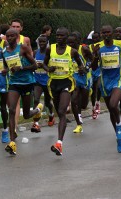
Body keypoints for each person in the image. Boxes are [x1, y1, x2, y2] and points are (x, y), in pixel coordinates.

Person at [91, 25, 121, 153]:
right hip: (105, 81)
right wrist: (94, 55)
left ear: (112, 33)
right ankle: (118, 136)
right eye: (103, 33)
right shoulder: (98, 47)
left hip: (118, 79)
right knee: (111, 110)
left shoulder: (120, 44)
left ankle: (120, 125)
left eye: (108, 32)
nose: (106, 34)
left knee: (113, 104)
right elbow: (93, 67)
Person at [43, 27, 84, 156]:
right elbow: (43, 64)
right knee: (59, 114)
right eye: (57, 35)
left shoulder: (72, 51)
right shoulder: (51, 48)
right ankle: (60, 142)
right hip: (53, 83)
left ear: (67, 37)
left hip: (67, 82)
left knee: (62, 110)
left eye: (62, 36)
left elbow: (80, 64)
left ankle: (59, 143)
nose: (59, 37)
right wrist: (48, 69)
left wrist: (82, 69)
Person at [2, 28, 43, 155]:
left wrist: (22, 68)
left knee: (26, 115)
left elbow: (35, 66)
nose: (9, 38)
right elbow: (7, 66)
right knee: (12, 110)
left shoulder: (23, 48)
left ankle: (37, 110)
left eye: (12, 36)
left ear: (17, 36)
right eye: (7, 36)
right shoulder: (4, 51)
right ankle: (12, 142)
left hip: (27, 83)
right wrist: (6, 70)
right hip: (14, 84)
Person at [67, 31, 93, 134]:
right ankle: (78, 123)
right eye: (68, 43)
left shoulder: (84, 49)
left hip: (85, 78)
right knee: (74, 100)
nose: (70, 45)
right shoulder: (68, 51)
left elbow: (92, 58)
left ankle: (88, 92)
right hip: (74, 77)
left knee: (83, 105)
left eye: (72, 43)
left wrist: (86, 68)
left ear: (78, 41)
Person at [31, 35, 55, 133]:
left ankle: (51, 114)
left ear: (47, 42)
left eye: (43, 42)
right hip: (37, 80)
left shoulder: (50, 53)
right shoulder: (35, 52)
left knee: (47, 102)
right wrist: (35, 66)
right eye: (40, 42)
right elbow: (32, 65)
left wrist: (43, 66)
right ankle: (36, 123)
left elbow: (52, 68)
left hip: (47, 80)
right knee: (36, 99)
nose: (41, 44)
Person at [89, 31, 102, 119]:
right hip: (92, 70)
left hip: (100, 70)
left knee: (98, 86)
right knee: (93, 89)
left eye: (97, 38)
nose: (95, 40)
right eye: (93, 38)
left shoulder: (102, 47)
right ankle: (93, 107)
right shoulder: (89, 47)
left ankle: (98, 102)